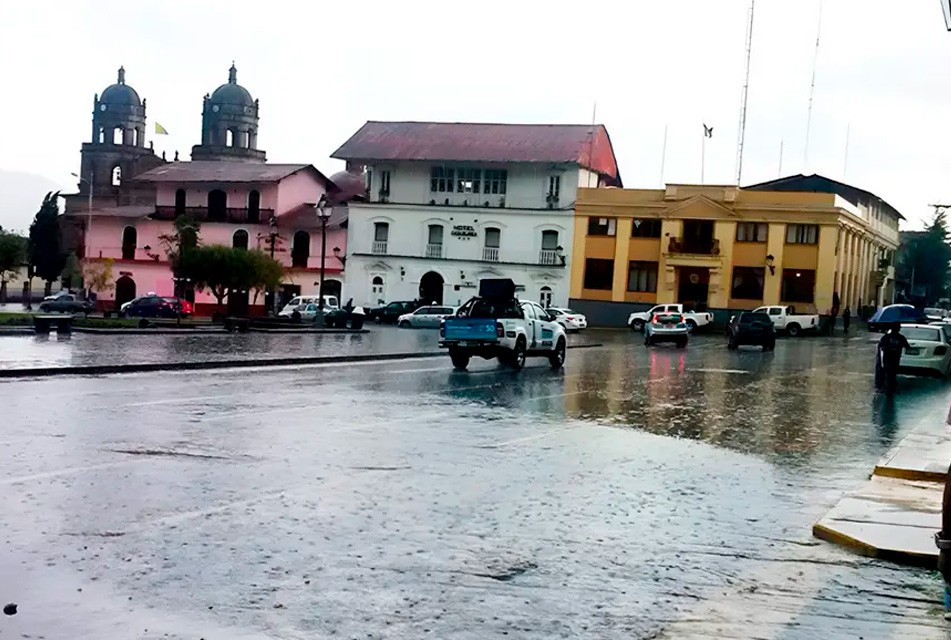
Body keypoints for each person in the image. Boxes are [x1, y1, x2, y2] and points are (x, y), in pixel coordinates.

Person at [875, 323, 910, 395]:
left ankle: (888, 387)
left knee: (888, 373)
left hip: (887, 359)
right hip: (894, 359)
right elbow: (907, 346)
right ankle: (890, 387)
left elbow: (881, 346)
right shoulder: (900, 337)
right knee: (892, 374)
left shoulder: (886, 337)